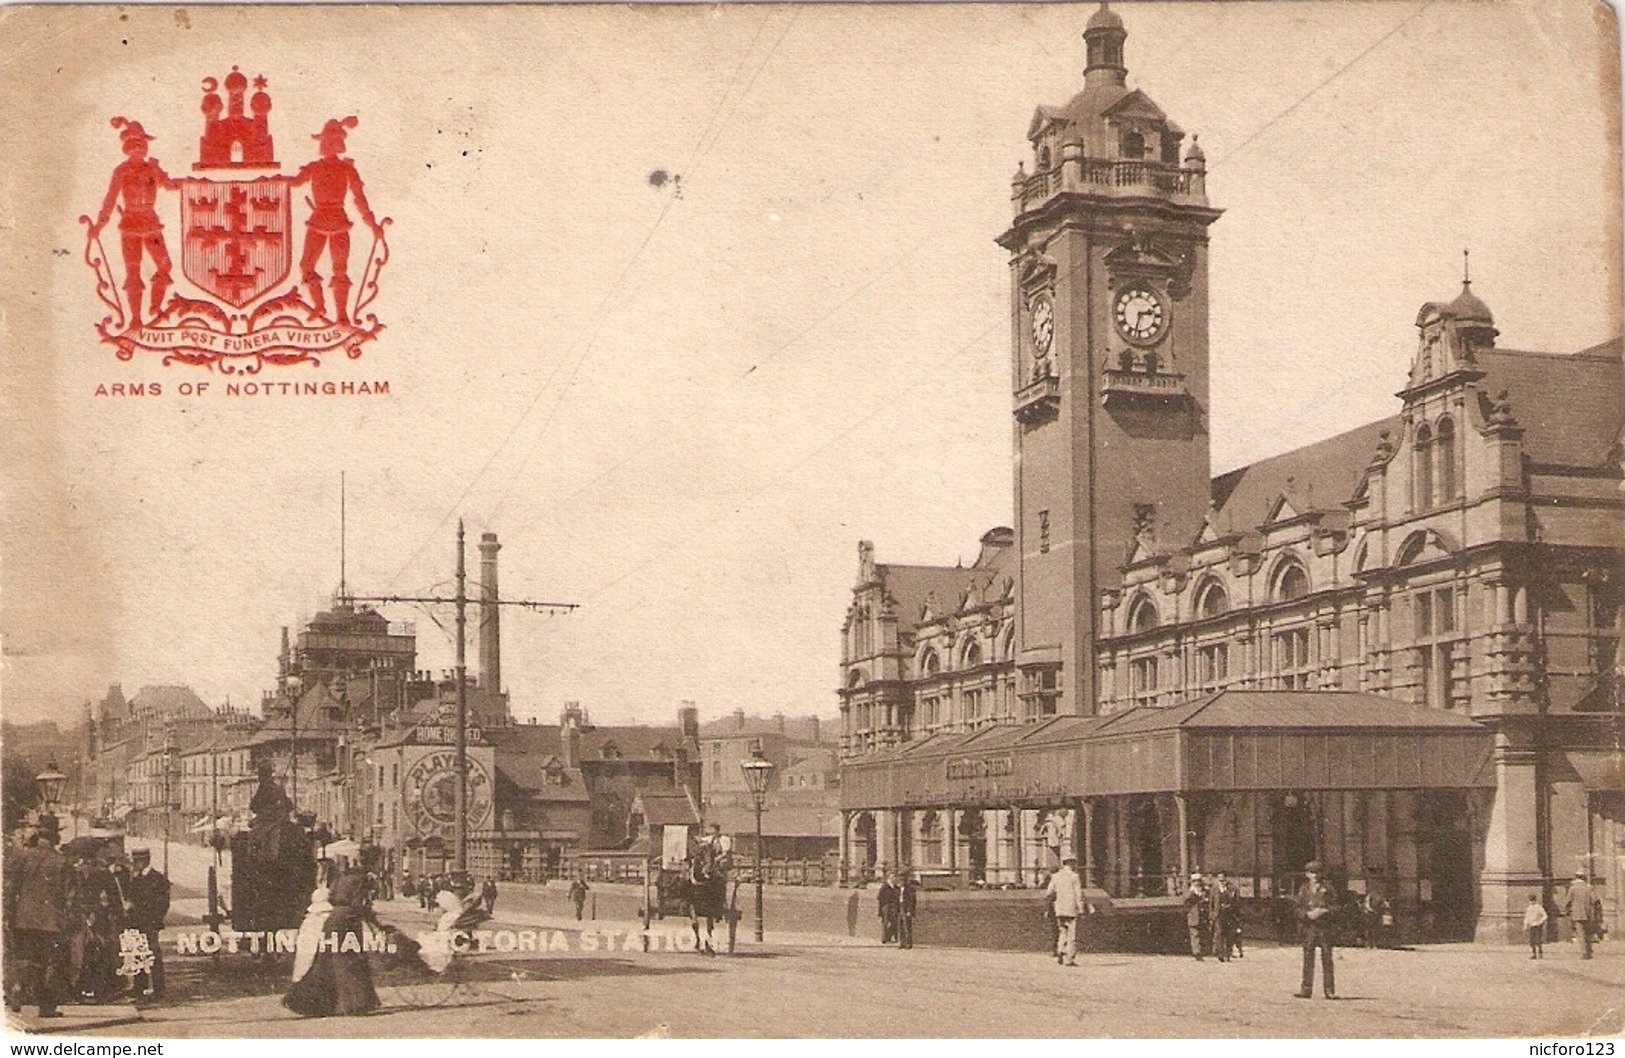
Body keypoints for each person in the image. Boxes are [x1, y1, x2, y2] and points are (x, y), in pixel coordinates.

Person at [289, 117, 385, 324]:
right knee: (320, 266)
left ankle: (338, 314)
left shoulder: (340, 169)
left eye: (324, 141)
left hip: (326, 222)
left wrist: (373, 225)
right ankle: (324, 309)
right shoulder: (325, 168)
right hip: (330, 222)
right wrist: (373, 226)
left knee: (320, 266)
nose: (322, 146)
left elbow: (360, 201)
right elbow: (294, 182)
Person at [89, 118, 177, 324]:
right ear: (128, 147)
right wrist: (99, 226)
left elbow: (171, 186)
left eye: (142, 144)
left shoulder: (152, 168)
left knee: (164, 266)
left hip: (151, 223)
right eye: (135, 144)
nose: (139, 147)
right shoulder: (121, 171)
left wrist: (161, 170)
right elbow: (110, 200)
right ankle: (135, 319)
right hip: (130, 224)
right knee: (133, 272)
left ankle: (155, 307)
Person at [283, 872, 381, 1017]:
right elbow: (359, 907)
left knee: (327, 961)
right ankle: (356, 1003)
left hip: (333, 920)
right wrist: (377, 926)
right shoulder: (361, 882)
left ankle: (309, 1000)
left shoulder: (343, 878)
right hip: (347, 921)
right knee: (351, 962)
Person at [4, 818, 70, 1018]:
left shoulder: (24, 857)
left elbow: (10, 888)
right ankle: (46, 1007)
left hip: (23, 919)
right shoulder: (61, 861)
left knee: (26, 959)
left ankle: (18, 990)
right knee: (50, 962)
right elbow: (67, 895)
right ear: (55, 837)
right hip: (51, 922)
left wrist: (9, 915)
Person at [124, 848, 170, 1002]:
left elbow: (163, 903)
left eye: (136, 861)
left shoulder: (157, 879)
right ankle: (140, 989)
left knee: (153, 955)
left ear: (143, 861)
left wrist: (156, 919)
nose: (134, 864)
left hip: (150, 922)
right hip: (137, 922)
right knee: (138, 954)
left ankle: (158, 989)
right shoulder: (135, 878)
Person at [1293, 860, 1337, 999]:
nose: (1315, 875)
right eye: (1311, 873)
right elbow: (1297, 908)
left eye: (1317, 872)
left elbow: (1336, 907)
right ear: (1307, 874)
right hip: (1309, 927)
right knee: (1308, 958)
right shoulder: (1303, 889)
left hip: (1324, 927)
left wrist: (1324, 911)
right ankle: (1306, 989)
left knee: (1327, 958)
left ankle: (1329, 990)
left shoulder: (1328, 889)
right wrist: (1306, 914)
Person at [1045, 854, 1084, 966]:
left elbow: (1049, 892)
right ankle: (1069, 958)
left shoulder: (1056, 876)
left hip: (1059, 908)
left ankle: (1060, 949)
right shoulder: (1074, 877)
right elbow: (1078, 894)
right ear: (1071, 863)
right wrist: (1080, 908)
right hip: (1071, 908)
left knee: (1062, 931)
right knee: (1072, 934)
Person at [1563, 870, 1602, 960]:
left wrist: (1566, 910)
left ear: (1576, 877)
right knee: (1588, 932)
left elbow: (1568, 901)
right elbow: (1596, 900)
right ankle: (1589, 950)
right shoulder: (1589, 887)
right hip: (1588, 913)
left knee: (1581, 933)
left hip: (1577, 914)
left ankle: (1584, 952)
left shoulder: (1573, 888)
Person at [1208, 869, 1239, 963]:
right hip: (1218, 914)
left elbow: (1236, 902)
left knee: (1229, 935)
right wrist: (1212, 915)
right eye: (1219, 879)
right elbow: (1211, 903)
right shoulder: (1214, 889)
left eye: (1223, 879)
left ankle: (1228, 954)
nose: (1221, 881)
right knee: (1219, 933)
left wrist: (1236, 915)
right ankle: (1220, 954)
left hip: (1229, 914)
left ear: (1226, 878)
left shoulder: (1232, 888)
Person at [1182, 871, 1210, 961]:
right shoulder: (1190, 891)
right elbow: (1185, 900)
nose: (1197, 883)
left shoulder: (1205, 891)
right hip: (1194, 916)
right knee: (1195, 934)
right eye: (1195, 881)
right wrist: (1192, 892)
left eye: (1198, 881)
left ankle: (1202, 950)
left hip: (1203, 916)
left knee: (1203, 934)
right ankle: (1197, 952)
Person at [877, 871, 902, 944]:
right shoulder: (885, 887)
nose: (894, 879)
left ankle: (890, 936)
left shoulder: (896, 887)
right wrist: (881, 910)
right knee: (886, 922)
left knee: (894, 922)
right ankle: (885, 938)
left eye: (895, 877)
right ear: (889, 878)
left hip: (894, 906)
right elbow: (880, 898)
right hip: (886, 906)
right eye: (892, 877)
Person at [897, 871, 919, 950]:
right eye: (900, 880)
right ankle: (901, 943)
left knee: (907, 927)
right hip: (900, 907)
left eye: (902, 880)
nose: (900, 881)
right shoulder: (899, 889)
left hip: (906, 908)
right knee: (900, 926)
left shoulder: (910, 889)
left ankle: (908, 943)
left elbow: (912, 900)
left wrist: (910, 911)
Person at [1523, 894, 1549, 960]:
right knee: (1532, 941)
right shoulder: (1528, 908)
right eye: (1530, 900)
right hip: (1531, 925)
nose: (1532, 902)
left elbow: (1545, 915)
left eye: (1533, 900)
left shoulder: (1539, 907)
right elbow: (1527, 917)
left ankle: (1540, 952)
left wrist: (1540, 921)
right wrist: (1525, 925)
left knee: (1538, 940)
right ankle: (1534, 954)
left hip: (1538, 925)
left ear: (1535, 900)